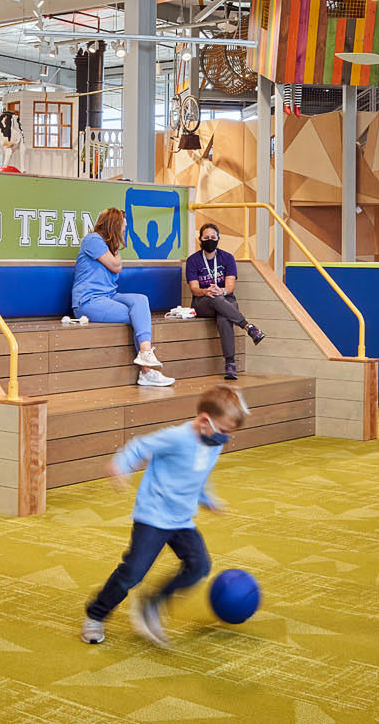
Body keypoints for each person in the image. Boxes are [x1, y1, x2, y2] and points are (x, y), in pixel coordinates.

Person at [82, 385, 249, 645]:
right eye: (225, 431)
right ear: (205, 420)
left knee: (199, 566)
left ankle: (152, 604)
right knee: (133, 573)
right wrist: (120, 465)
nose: (226, 438)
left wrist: (207, 499)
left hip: (182, 519)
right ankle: (96, 614)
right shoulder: (177, 438)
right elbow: (139, 447)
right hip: (153, 516)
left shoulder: (212, 442)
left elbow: (200, 474)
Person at [75, 207, 171, 386]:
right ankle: (146, 370)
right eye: (122, 227)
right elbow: (115, 266)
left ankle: (145, 356)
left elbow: (116, 264)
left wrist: (115, 247)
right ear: (114, 225)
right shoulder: (93, 239)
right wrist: (116, 248)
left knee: (141, 300)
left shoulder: (110, 247)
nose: (124, 231)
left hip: (109, 296)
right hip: (88, 301)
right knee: (138, 316)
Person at [185, 223, 263, 381]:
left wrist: (222, 291)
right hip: (202, 302)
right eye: (206, 237)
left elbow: (230, 286)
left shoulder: (227, 258)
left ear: (218, 239)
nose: (209, 240)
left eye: (213, 237)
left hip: (225, 299)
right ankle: (248, 327)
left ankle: (230, 365)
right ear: (200, 239)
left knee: (223, 316)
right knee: (215, 299)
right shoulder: (193, 260)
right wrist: (207, 291)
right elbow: (194, 289)